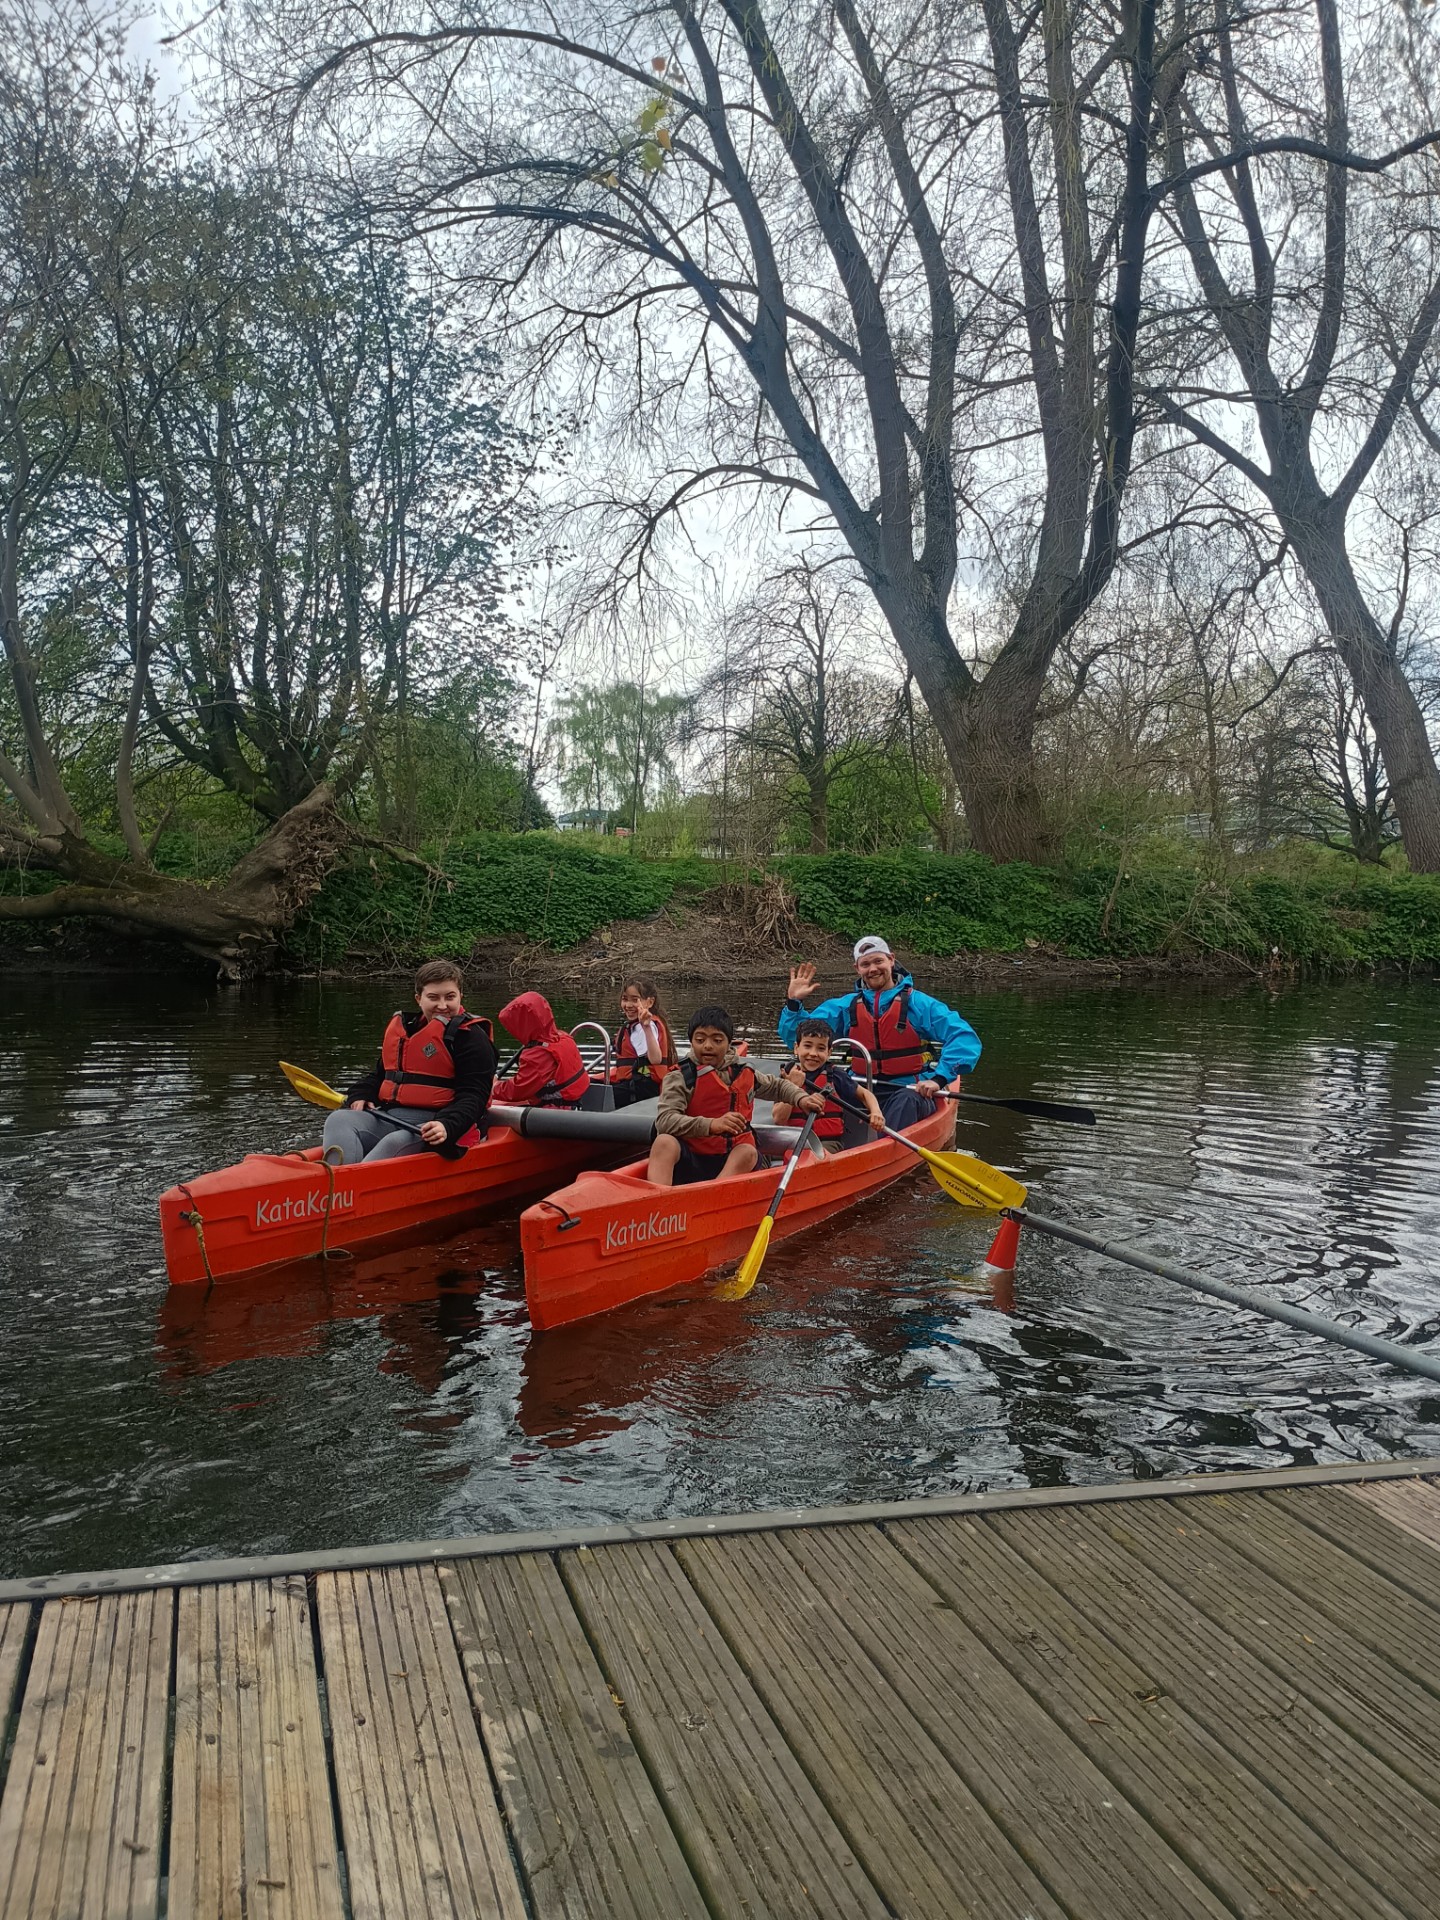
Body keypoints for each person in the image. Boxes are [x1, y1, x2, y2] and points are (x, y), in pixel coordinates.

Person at [778, 935, 981, 1128]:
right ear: (857, 968)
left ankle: (887, 1151)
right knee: (828, 1094)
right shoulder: (845, 1007)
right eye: (865, 964)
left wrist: (939, 1079)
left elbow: (963, 1038)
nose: (873, 969)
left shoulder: (920, 1004)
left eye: (878, 961)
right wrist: (794, 1003)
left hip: (909, 1089)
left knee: (906, 1101)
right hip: (861, 1085)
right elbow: (799, 1038)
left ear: (891, 960)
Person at [322, 958, 496, 1164]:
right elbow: (381, 1074)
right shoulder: (409, 1031)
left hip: (442, 1126)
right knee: (338, 1120)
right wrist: (362, 1093)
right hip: (393, 1117)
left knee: (394, 1142)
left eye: (450, 997)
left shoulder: (472, 1038)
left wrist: (446, 1125)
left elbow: (474, 1095)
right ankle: (338, 1186)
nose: (442, 1005)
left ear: (460, 997)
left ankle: (350, 1186)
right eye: (433, 997)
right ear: (418, 999)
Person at [647, 1003, 825, 1186]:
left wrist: (801, 1098)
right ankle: (657, 1202)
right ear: (692, 1042)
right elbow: (665, 1121)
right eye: (700, 1040)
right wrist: (712, 1124)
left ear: (728, 1043)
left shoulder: (742, 1072)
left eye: (717, 1040)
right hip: (692, 1156)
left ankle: (712, 1196)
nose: (708, 1046)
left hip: (731, 1159)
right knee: (664, 1142)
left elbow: (777, 1087)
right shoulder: (680, 1077)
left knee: (747, 1152)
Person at [772, 1018, 885, 1151]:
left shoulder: (836, 1075)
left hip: (825, 1144)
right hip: (792, 1141)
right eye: (807, 1046)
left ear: (829, 1052)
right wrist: (793, 1086)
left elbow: (865, 1094)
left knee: (815, 1154)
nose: (813, 1054)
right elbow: (779, 1119)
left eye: (821, 1048)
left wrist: (876, 1112)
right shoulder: (787, 1076)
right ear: (796, 1048)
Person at [491, 991, 591, 1106]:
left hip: (553, 1111)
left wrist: (493, 1088)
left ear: (523, 1024)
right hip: (574, 1103)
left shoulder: (538, 1055)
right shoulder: (562, 1037)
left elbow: (518, 1090)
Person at [610, 977, 677, 1106]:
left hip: (642, 1088)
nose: (628, 1005)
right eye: (625, 999)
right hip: (633, 1083)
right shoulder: (633, 1027)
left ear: (650, 1002)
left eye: (635, 1000)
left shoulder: (647, 1026)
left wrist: (646, 1027)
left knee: (592, 1093)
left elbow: (656, 1059)